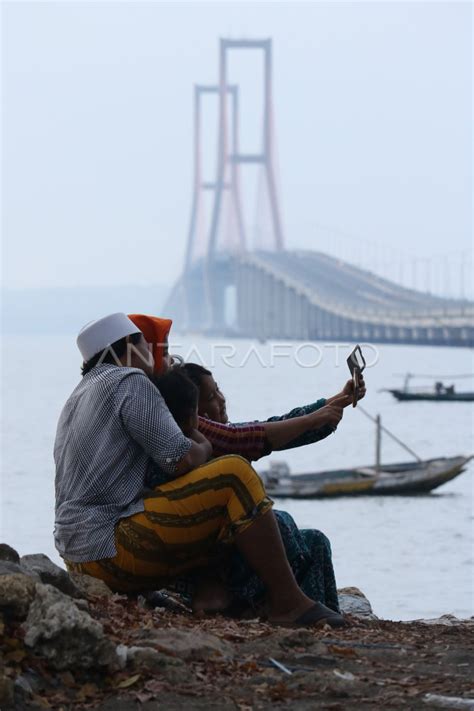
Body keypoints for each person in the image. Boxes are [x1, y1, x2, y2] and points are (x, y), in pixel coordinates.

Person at [54, 312, 345, 628]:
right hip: (111, 546)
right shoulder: (130, 380)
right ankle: (289, 602)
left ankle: (219, 592)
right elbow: (180, 459)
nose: (155, 354)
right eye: (147, 345)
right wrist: (203, 445)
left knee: (218, 499)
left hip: (78, 558)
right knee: (234, 473)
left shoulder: (79, 395)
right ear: (128, 345)